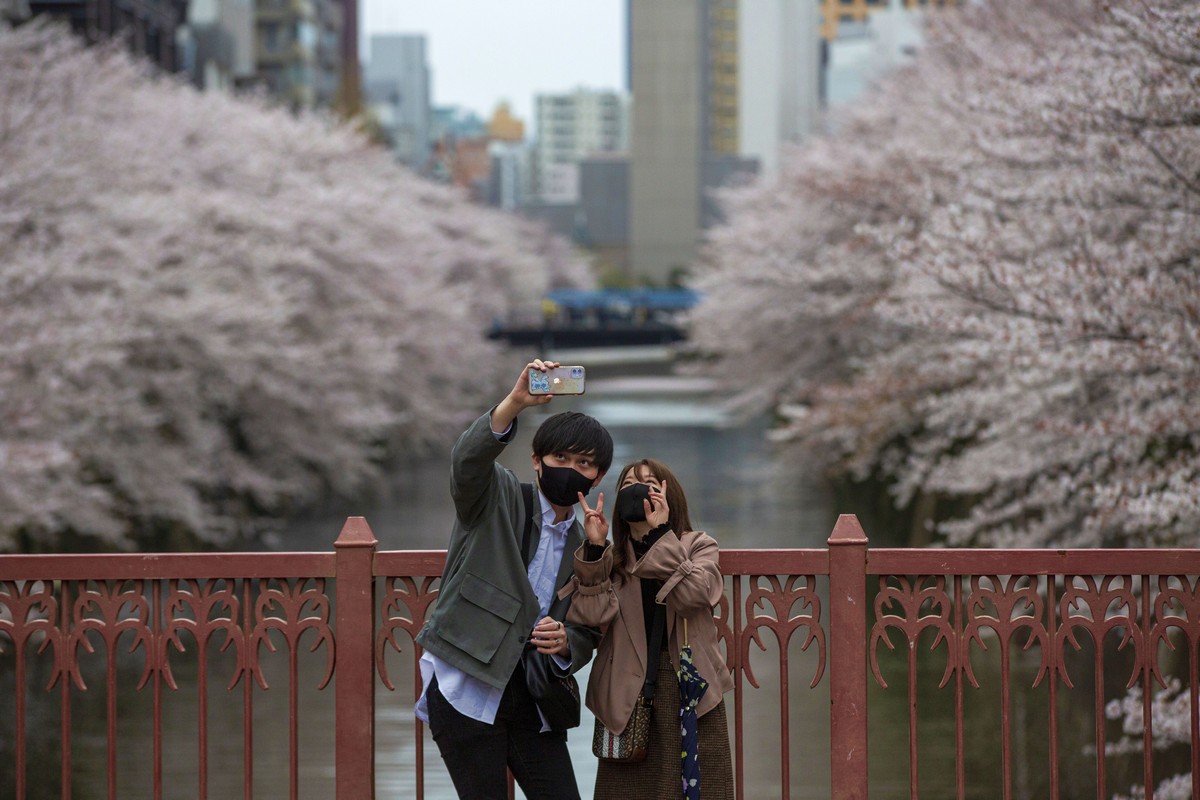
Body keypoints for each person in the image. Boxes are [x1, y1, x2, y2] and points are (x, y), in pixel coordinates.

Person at [414, 358, 611, 800]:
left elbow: (587, 631)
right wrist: (515, 402)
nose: (571, 469)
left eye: (584, 463)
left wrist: (565, 645)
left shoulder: (587, 542)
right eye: (560, 457)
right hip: (465, 684)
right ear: (536, 461)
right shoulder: (497, 498)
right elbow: (467, 463)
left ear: (598, 476)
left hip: (532, 697)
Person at [566, 458, 734, 799]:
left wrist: (660, 534)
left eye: (649, 483)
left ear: (669, 496)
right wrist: (596, 549)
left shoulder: (697, 545)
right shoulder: (611, 560)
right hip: (627, 698)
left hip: (690, 693)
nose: (638, 490)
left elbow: (693, 598)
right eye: (628, 484)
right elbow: (589, 619)